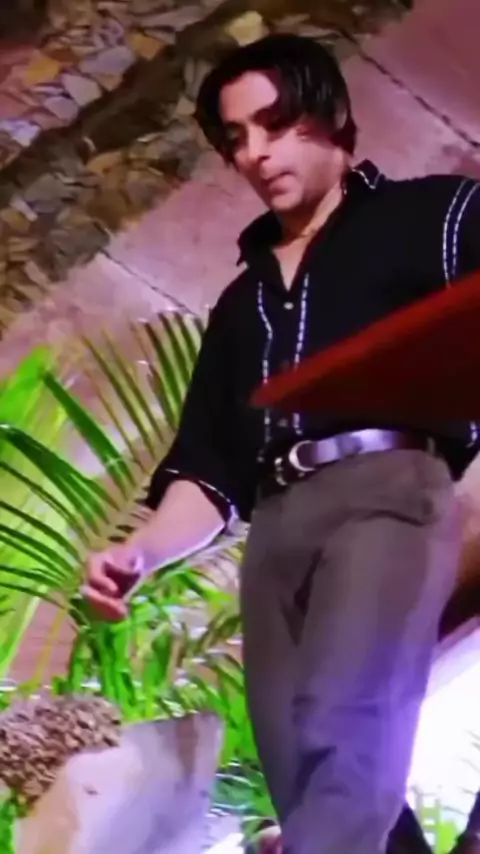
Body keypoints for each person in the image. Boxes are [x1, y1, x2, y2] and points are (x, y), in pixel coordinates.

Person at [82, 33, 480, 854]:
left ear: (330, 116)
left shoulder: (436, 215)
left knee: (345, 722)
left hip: (388, 488)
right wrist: (141, 551)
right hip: (276, 529)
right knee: (298, 768)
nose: (256, 154)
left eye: (275, 124)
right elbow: (209, 468)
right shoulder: (241, 305)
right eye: (237, 139)